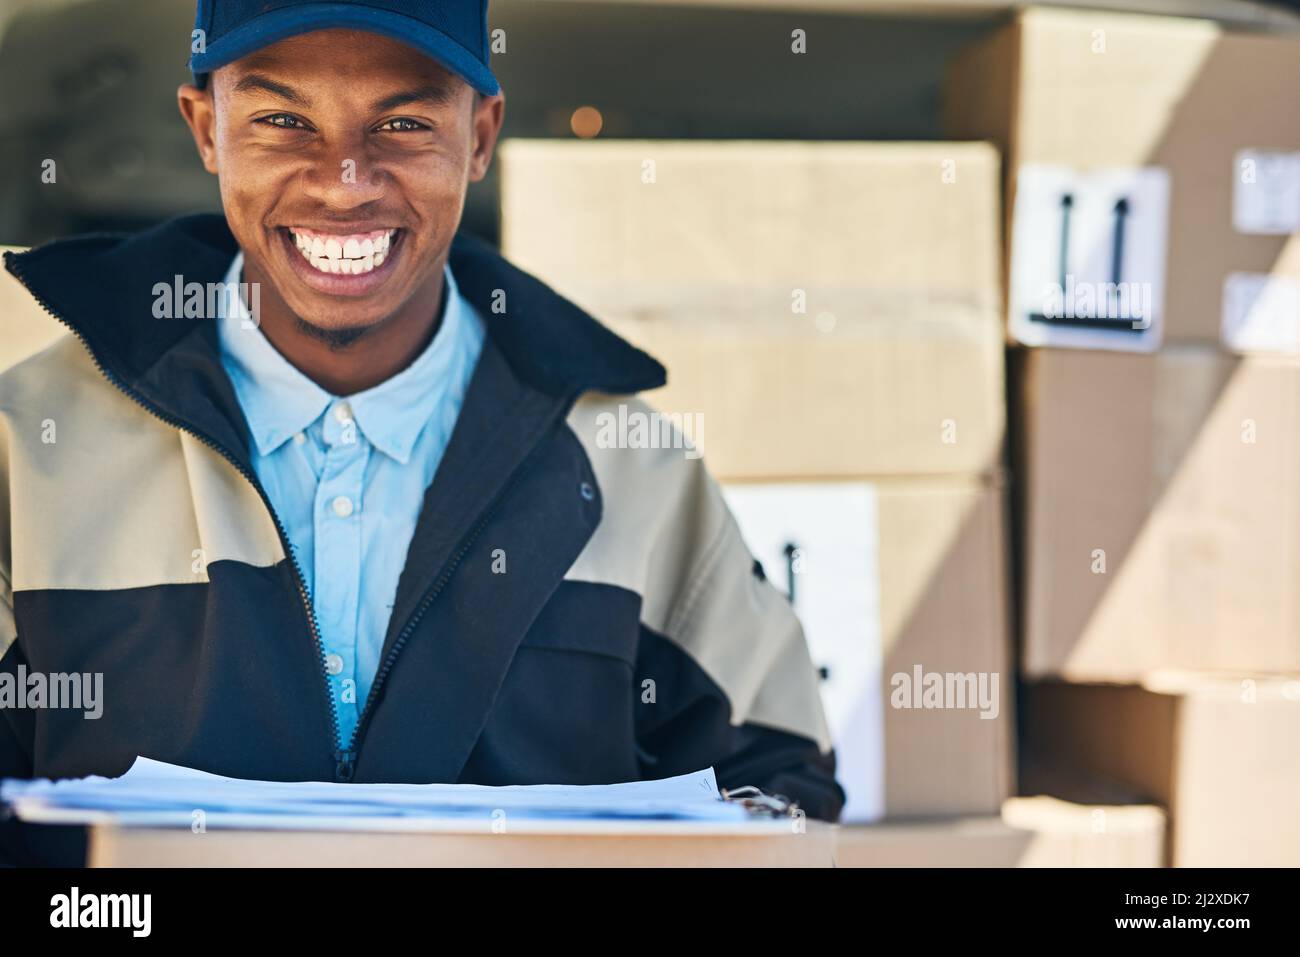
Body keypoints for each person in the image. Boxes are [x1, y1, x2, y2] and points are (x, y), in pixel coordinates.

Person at [0, 0, 842, 864]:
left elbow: (782, 795)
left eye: (402, 122)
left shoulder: (633, 468)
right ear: (206, 128)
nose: (344, 181)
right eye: (282, 120)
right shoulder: (25, 453)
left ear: (479, 137)